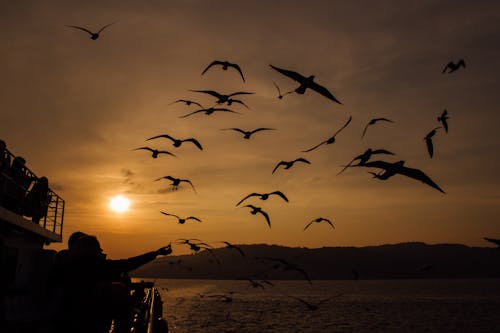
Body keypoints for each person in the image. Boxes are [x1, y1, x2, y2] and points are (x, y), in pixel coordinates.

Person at [52, 234, 172, 333]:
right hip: (89, 325)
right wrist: (156, 253)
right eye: (99, 249)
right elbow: (129, 263)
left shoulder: (65, 267)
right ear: (92, 251)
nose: (101, 252)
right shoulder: (95, 267)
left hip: (63, 323)